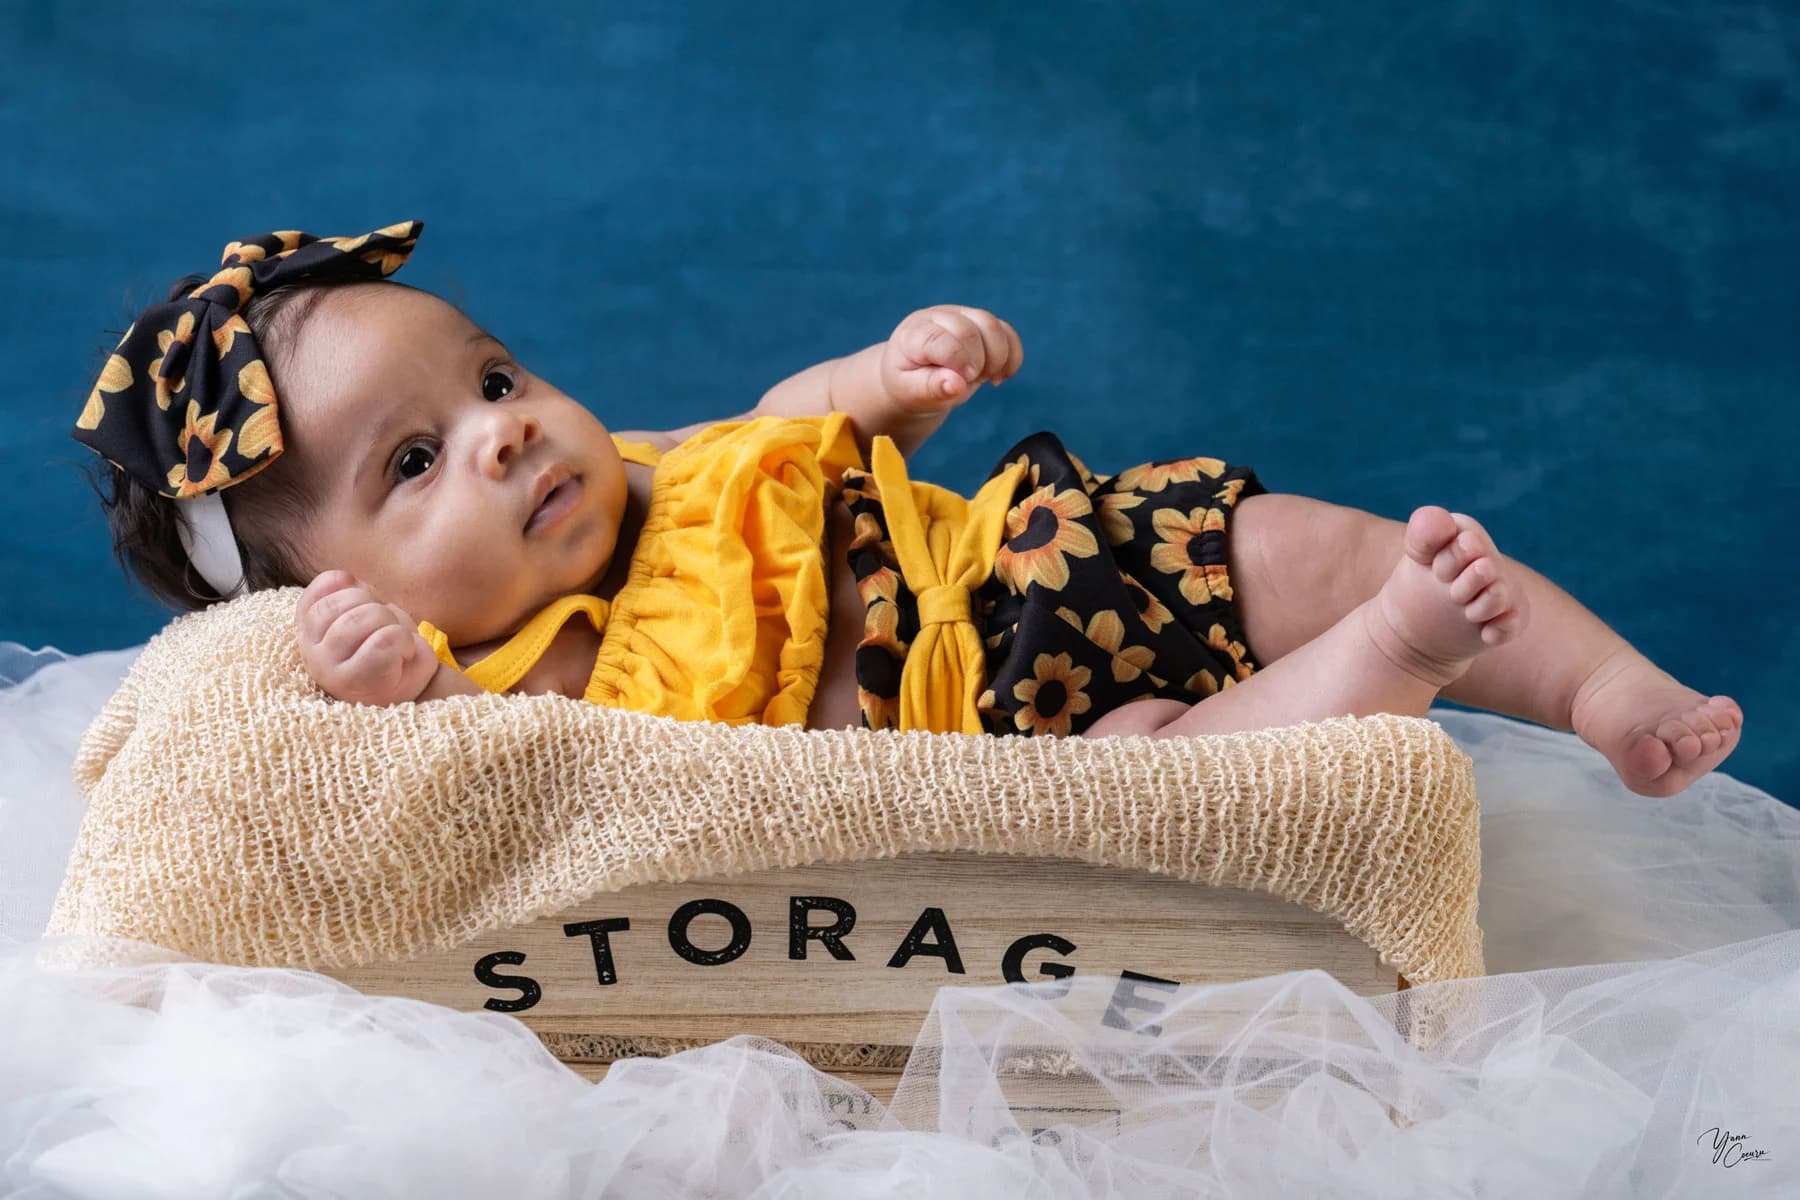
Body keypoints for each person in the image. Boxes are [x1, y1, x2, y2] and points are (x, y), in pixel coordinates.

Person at [75, 222, 1741, 798]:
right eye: (413, 464)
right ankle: (1395, 654)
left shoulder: (645, 467)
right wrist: (403, 690)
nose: (504, 437)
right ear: (336, 596)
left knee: (1297, 539)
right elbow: (511, 794)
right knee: (1169, 772)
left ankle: (1602, 686)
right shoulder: (530, 679)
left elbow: (776, 431)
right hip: (995, 742)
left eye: (494, 379)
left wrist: (892, 371)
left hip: (1042, 555)